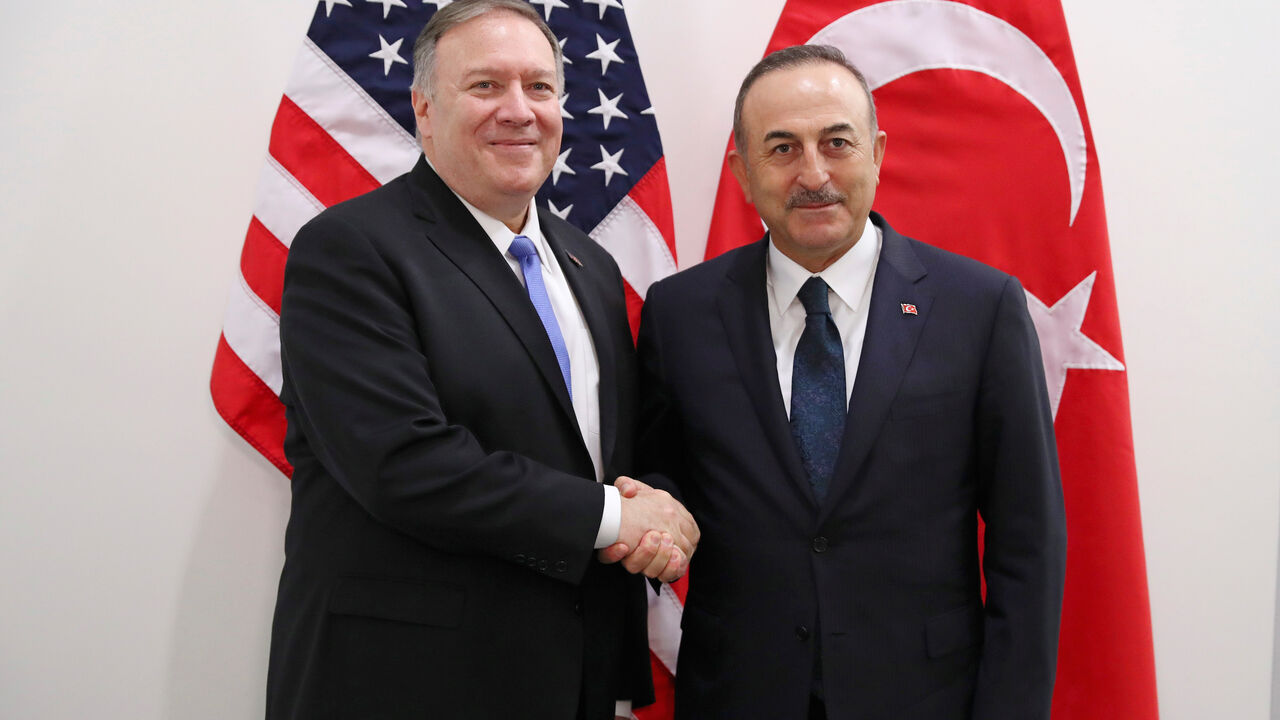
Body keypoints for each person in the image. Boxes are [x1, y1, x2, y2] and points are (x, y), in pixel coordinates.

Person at [265, 2, 697, 718]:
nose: (519, 111)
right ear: (424, 110)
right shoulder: (350, 250)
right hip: (408, 683)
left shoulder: (590, 265)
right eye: (486, 87)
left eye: (539, 87)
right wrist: (616, 519)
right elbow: (403, 464)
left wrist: (659, 512)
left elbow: (614, 446)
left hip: (566, 676)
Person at [633, 45, 1067, 719]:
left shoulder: (979, 308)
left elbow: (1028, 540)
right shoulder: (679, 313)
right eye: (781, 149)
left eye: (837, 142)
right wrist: (656, 510)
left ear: (877, 153)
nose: (814, 173)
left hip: (925, 698)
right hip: (739, 694)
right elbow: (660, 472)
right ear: (742, 173)